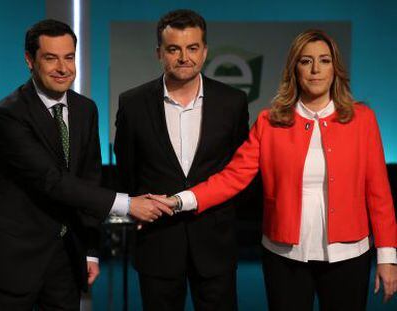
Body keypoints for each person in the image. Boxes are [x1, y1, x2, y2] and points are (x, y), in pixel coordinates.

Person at [152, 29, 397, 310]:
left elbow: (379, 193)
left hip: (349, 255)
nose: (316, 70)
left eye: (324, 60)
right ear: (294, 69)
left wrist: (387, 256)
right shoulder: (270, 122)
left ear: (335, 68)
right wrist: (179, 200)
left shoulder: (362, 120)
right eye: (306, 61)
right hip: (283, 255)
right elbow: (232, 178)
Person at [0, 19, 171, 310]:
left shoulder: (86, 109)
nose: (63, 68)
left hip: (66, 258)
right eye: (51, 58)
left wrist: (91, 250)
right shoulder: (9, 115)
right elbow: (52, 180)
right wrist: (128, 204)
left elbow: (90, 178)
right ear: (29, 60)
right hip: (14, 258)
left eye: (69, 57)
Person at [114, 9, 249, 311]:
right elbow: (126, 171)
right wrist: (134, 210)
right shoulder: (133, 103)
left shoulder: (233, 102)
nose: (184, 57)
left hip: (216, 242)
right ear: (159, 53)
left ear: (205, 51)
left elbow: (239, 171)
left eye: (192, 48)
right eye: (174, 49)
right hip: (157, 241)